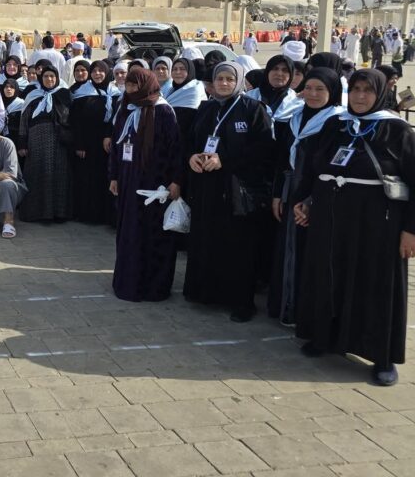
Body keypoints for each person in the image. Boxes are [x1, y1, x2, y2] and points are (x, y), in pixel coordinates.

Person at [293, 69, 415, 386]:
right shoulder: (337, 124)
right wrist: (306, 200)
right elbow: (316, 166)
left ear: (381, 93)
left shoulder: (397, 131)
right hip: (332, 220)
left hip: (378, 226)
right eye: (356, 89)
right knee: (328, 276)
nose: (360, 96)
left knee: (376, 285)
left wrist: (410, 230)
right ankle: (325, 337)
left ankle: (382, 356)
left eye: (367, 91)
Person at [184, 61, 273, 322]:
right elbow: (191, 140)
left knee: (237, 245)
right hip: (207, 186)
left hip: (237, 188)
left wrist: (225, 159)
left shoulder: (253, 109)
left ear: (239, 81)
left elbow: (263, 149)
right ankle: (206, 292)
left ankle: (240, 301)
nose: (223, 83)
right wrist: (191, 157)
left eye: (229, 79)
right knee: (207, 239)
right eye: (219, 79)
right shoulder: (206, 108)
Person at [268, 68, 345, 326]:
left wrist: (311, 200)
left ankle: (303, 310)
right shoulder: (295, 116)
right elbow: (281, 159)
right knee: (287, 250)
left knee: (308, 253)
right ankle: (285, 305)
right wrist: (278, 194)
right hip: (291, 189)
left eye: (320, 89)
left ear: (332, 92)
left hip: (317, 197)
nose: (312, 94)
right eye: (309, 87)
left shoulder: (338, 122)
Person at [108, 68, 182, 301]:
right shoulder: (126, 108)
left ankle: (153, 286)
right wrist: (114, 176)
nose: (130, 90)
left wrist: (176, 181)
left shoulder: (163, 111)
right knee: (130, 232)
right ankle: (128, 282)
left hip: (155, 184)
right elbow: (117, 146)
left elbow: (176, 150)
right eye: (128, 85)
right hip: (129, 183)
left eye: (134, 85)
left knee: (153, 235)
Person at [17, 64, 73, 224]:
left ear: (57, 78)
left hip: (59, 145)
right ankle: (39, 213)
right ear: (41, 78)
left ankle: (58, 213)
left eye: (52, 76)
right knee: (38, 174)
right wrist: (22, 143)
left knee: (58, 176)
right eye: (46, 76)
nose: (49, 79)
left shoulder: (64, 94)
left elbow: (71, 119)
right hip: (36, 144)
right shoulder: (32, 95)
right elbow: (24, 120)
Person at [70, 60, 116, 226]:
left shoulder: (116, 93)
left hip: (107, 143)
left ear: (106, 72)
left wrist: (109, 135)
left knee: (105, 178)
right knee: (87, 179)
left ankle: (104, 215)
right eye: (94, 71)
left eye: (100, 71)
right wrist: (79, 144)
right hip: (88, 144)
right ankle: (87, 215)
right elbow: (76, 121)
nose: (97, 74)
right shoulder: (83, 93)